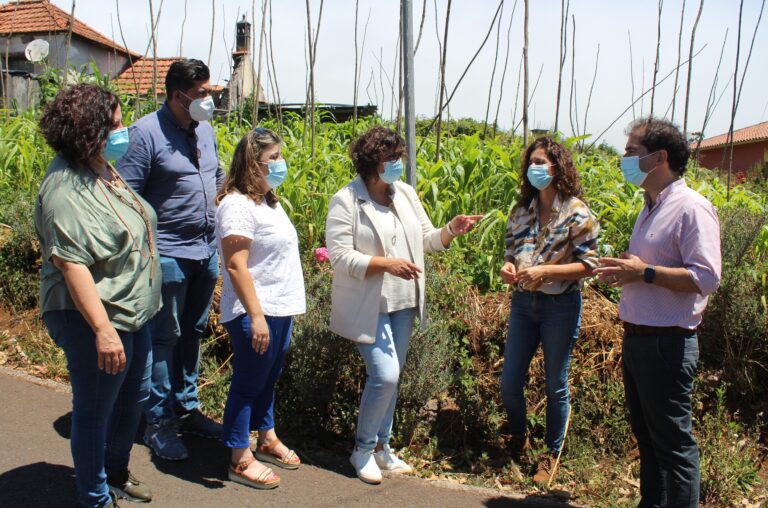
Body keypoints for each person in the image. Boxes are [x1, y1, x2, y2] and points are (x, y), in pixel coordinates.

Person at [325, 126, 483, 484]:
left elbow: (427, 239)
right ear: (372, 162)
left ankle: (383, 448)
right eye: (391, 157)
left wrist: (451, 230)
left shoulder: (406, 194)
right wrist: (385, 263)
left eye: (400, 155)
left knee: (392, 379)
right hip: (370, 302)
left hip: (405, 301)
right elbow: (339, 257)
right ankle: (362, 450)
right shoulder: (346, 200)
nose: (399, 162)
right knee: (385, 375)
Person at [35, 83, 161, 507]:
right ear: (89, 131)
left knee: (135, 397)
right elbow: (72, 265)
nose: (125, 132)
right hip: (93, 316)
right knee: (93, 411)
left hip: (133, 309)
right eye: (116, 125)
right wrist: (103, 331)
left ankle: (116, 471)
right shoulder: (65, 188)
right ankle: (94, 496)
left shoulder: (101, 166)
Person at [594, 118, 721, 507]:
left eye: (632, 151)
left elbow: (706, 277)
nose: (625, 158)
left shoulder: (691, 208)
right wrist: (630, 273)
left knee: (674, 446)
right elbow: (651, 270)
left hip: (667, 343)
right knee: (648, 441)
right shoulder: (649, 207)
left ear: (659, 157)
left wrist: (644, 272)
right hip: (639, 339)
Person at [116, 59, 224, 461]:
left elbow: (214, 178)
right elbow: (127, 197)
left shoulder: (206, 130)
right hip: (168, 255)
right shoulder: (144, 134)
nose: (209, 101)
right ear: (178, 96)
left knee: (193, 331)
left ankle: (186, 407)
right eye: (202, 95)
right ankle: (157, 421)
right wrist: (147, 254)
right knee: (163, 338)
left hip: (205, 251)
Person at [499, 136, 600, 485]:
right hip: (524, 304)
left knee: (555, 384)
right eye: (531, 162)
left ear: (558, 167)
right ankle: (518, 436)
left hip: (561, 305)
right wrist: (508, 268)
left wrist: (546, 271)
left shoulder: (576, 212)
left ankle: (550, 454)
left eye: (541, 162)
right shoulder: (520, 211)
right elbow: (511, 252)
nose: (534, 168)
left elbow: (590, 265)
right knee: (510, 381)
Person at [215, 128, 305, 490]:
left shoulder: (269, 201)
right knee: (249, 380)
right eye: (274, 158)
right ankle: (238, 456)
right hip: (256, 310)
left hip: (280, 307)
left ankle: (265, 438)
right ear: (253, 163)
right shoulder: (236, 205)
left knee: (268, 377)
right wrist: (255, 316)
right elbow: (236, 265)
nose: (281, 164)